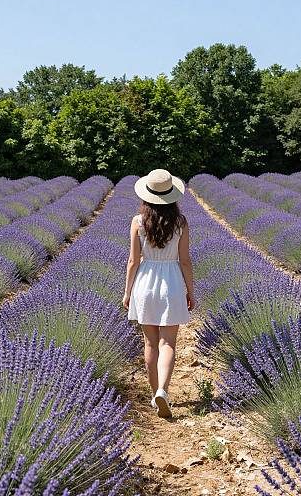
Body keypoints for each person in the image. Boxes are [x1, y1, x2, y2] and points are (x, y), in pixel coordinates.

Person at [123, 169, 195, 418]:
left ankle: (156, 394)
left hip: (144, 284)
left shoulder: (137, 221)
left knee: (150, 343)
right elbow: (185, 261)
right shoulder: (181, 222)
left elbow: (133, 261)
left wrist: (127, 292)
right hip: (172, 283)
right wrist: (190, 291)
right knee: (168, 343)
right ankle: (163, 390)